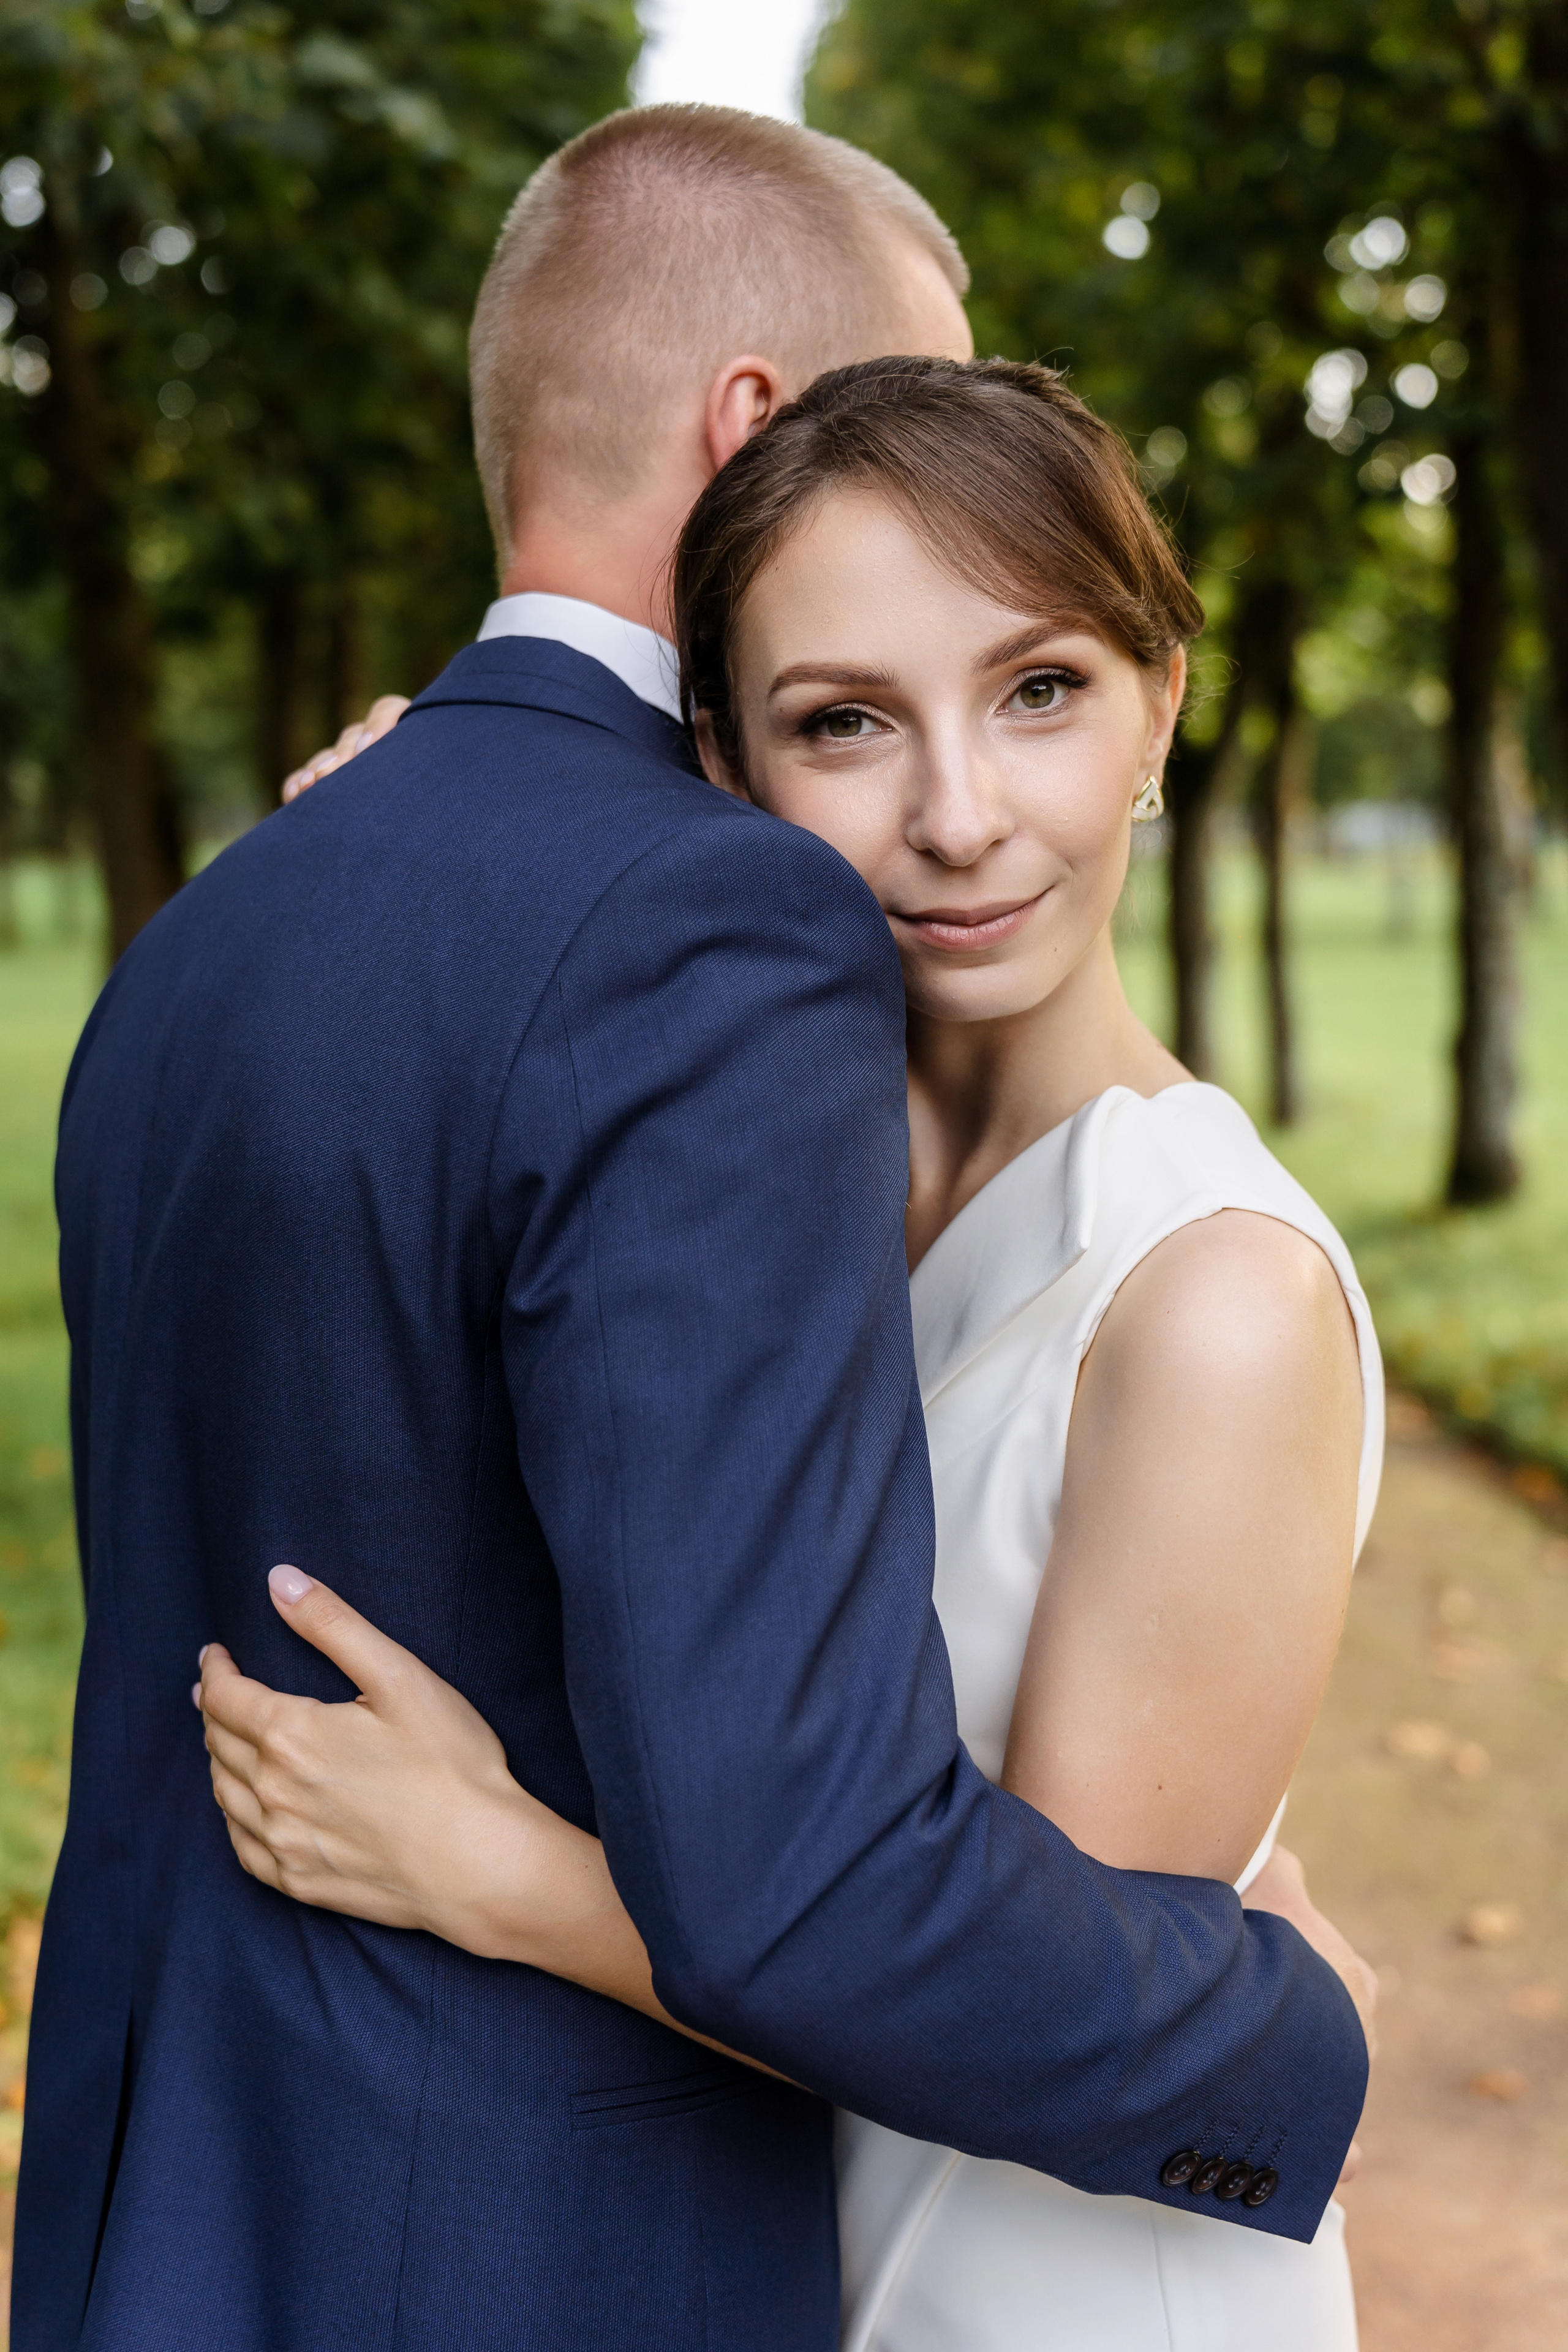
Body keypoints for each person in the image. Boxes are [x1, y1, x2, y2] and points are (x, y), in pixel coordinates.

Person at [17, 108, 1370, 2352]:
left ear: (1158, 705)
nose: (953, 810)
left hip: (251, 2202)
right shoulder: (721, 968)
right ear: (762, 450)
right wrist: (1280, 2024)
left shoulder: (227, 928)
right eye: (847, 714)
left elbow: (944, 1944)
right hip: (515, 2236)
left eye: (1037, 680)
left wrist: (515, 1875)